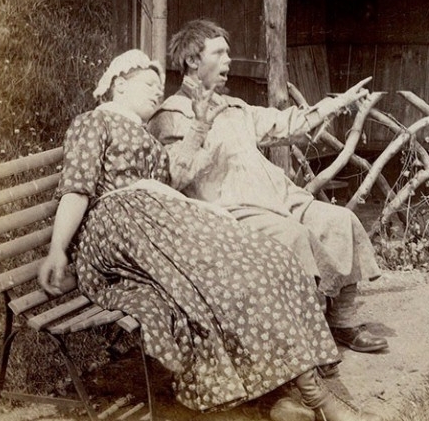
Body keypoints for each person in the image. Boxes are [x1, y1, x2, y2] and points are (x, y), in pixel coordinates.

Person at [37, 49, 375, 421]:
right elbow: (77, 189)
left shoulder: (144, 135)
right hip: (124, 231)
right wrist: (57, 248)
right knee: (224, 281)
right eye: (148, 84)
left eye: (159, 86)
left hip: (161, 222)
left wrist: (199, 127)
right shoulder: (93, 122)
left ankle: (296, 394)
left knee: (271, 260)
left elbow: (174, 179)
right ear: (119, 86)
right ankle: (313, 401)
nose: (157, 91)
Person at [148, 19, 388, 354]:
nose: (229, 60)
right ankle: (303, 340)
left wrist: (337, 103)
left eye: (228, 52)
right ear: (192, 60)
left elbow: (285, 123)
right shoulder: (171, 114)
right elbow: (174, 176)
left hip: (276, 197)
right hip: (230, 211)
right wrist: (200, 128)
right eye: (219, 53)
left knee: (340, 221)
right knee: (294, 236)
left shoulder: (234, 106)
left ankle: (342, 322)